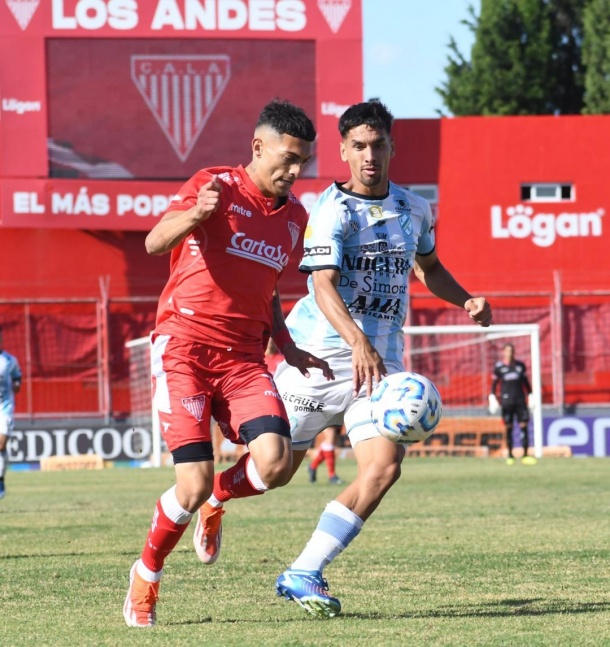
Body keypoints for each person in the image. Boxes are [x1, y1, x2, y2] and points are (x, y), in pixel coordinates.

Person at [196, 100, 493, 618]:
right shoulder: (331, 209)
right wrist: (355, 339)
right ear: (343, 151)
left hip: (381, 365)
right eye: (359, 146)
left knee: (384, 467)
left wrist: (465, 298)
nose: (369, 155)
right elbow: (321, 284)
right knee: (277, 471)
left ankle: (303, 572)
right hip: (322, 358)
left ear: (393, 147)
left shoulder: (415, 208)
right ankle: (217, 498)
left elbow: (429, 267)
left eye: (378, 144)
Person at [123, 99, 333, 628]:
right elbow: (153, 243)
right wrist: (195, 214)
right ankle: (147, 574)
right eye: (286, 159)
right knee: (187, 485)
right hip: (185, 349)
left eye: (302, 163)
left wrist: (286, 345)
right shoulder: (212, 185)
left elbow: (268, 292)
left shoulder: (295, 219)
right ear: (258, 147)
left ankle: (221, 496)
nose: (293, 171)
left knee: (278, 464)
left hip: (243, 359)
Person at [488, 343, 536, 466]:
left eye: (512, 351)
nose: (510, 353)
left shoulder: (520, 366)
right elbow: (494, 384)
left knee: (524, 426)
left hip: (520, 400)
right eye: (508, 351)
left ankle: (525, 455)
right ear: (504, 352)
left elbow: (526, 383)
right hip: (507, 402)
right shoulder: (499, 367)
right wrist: (492, 397)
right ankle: (510, 455)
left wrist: (531, 395)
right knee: (508, 427)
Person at [0, 326, 21, 500]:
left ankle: (0, 479)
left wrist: (16, 386)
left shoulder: (9, 360)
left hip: (4, 409)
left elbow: (17, 378)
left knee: (0, 445)